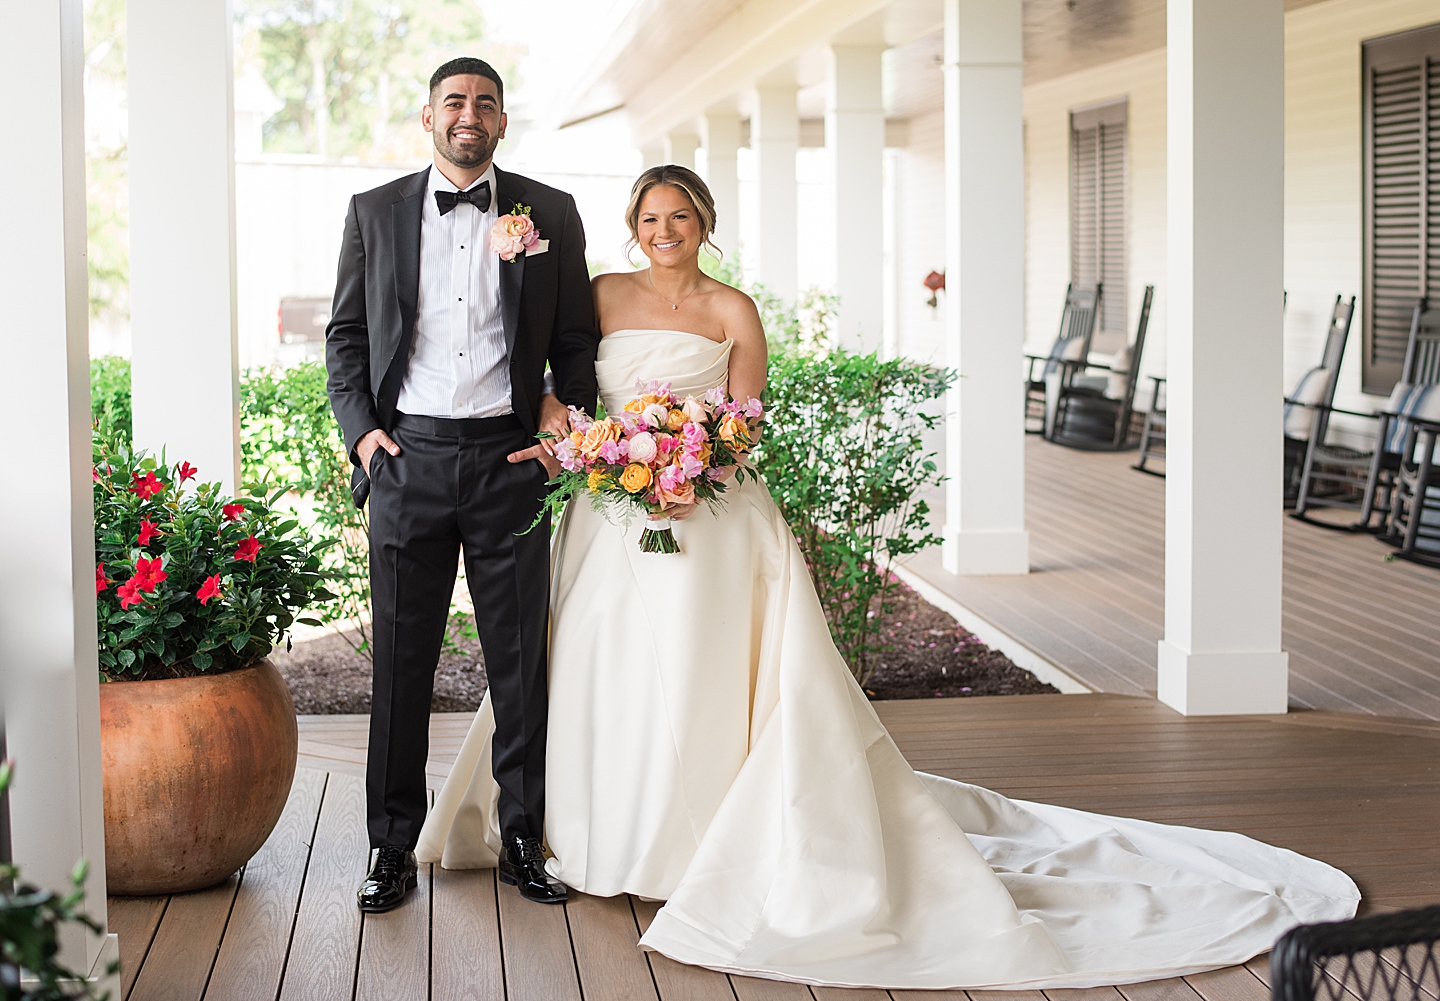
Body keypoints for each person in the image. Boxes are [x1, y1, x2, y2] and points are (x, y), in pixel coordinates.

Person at [416, 165, 1359, 990]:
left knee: (714, 673)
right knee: (600, 670)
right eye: (651, 219)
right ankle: (594, 837)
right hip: (614, 515)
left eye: (682, 218)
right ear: (634, 226)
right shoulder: (601, 291)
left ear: (705, 223)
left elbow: (744, 417)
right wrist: (600, 446)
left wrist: (691, 461)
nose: (665, 233)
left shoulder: (732, 309)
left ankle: (703, 840)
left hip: (714, 514)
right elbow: (554, 381)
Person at [324, 56, 597, 913]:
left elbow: (578, 340)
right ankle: (390, 846)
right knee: (402, 664)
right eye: (454, 101)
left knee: (520, 662)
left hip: (511, 465)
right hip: (407, 463)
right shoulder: (375, 212)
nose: (468, 114)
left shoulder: (548, 212)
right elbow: (345, 339)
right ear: (428, 116)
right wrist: (364, 437)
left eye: (484, 102)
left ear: (503, 122)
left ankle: (522, 835)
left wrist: (562, 435)